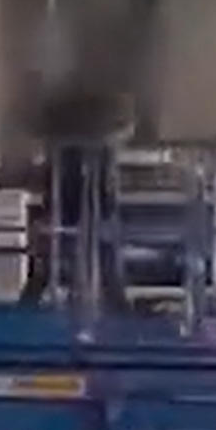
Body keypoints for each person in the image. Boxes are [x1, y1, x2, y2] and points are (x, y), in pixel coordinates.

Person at [19, 86, 131, 311]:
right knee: (101, 257)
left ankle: (25, 310)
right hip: (85, 196)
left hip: (73, 195)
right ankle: (119, 309)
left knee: (59, 256)